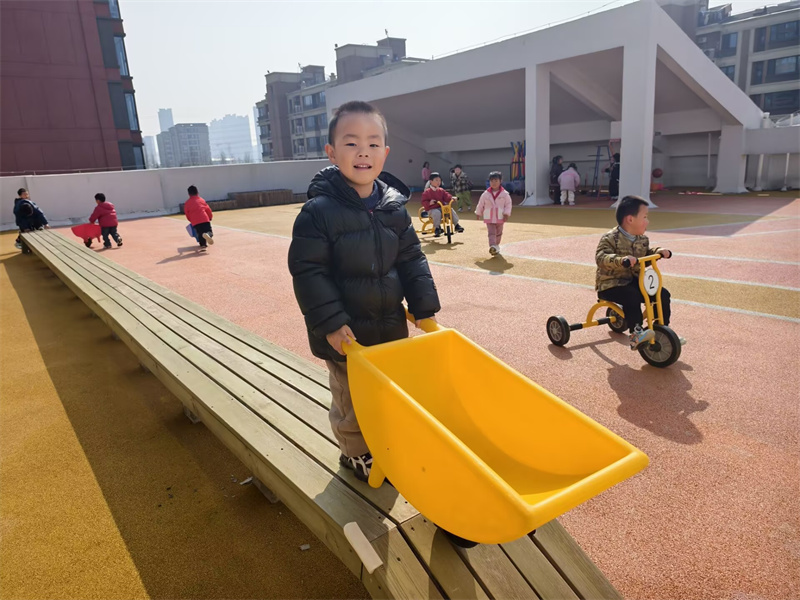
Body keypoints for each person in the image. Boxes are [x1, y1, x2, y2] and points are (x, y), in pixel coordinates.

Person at [288, 101, 440, 482]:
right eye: (351, 143)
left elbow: (412, 259)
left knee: (389, 391)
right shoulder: (318, 212)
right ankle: (355, 453)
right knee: (352, 399)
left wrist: (424, 308)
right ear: (331, 152)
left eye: (373, 144)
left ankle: (387, 442)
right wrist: (331, 324)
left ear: (385, 153)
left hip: (389, 326)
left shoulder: (394, 208)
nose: (363, 153)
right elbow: (308, 271)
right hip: (346, 336)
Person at [595, 195, 680, 350]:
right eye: (645, 217)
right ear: (630, 219)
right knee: (631, 296)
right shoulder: (610, 238)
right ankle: (636, 334)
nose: (648, 221)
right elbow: (601, 258)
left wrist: (658, 251)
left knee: (662, 294)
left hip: (634, 281)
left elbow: (645, 256)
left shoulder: (642, 239)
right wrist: (621, 260)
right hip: (611, 284)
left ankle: (662, 329)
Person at [475, 171, 512, 256]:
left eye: (496, 181)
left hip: (500, 217)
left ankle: (496, 245)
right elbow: (481, 204)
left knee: (499, 233)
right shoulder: (485, 194)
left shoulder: (505, 194)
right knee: (491, 233)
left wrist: (506, 213)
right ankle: (492, 246)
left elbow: (508, 205)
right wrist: (478, 213)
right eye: (492, 181)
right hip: (489, 217)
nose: (494, 183)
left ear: (500, 181)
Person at [421, 172, 465, 237]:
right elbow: (423, 202)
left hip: (442, 208)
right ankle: (437, 228)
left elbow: (447, 196)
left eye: (440, 180)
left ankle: (456, 225)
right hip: (432, 209)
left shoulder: (441, 190)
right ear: (431, 181)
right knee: (436, 212)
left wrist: (451, 198)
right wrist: (429, 203)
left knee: (450, 210)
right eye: (436, 180)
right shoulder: (427, 192)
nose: (438, 182)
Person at [13, 188, 49, 253]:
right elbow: (20, 220)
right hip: (23, 220)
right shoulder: (18, 210)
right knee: (26, 232)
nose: (26, 196)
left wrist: (45, 223)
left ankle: (40, 242)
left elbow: (40, 214)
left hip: (34, 219)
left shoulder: (32, 205)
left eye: (27, 194)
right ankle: (20, 241)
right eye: (24, 194)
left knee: (39, 227)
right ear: (20, 195)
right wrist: (25, 228)